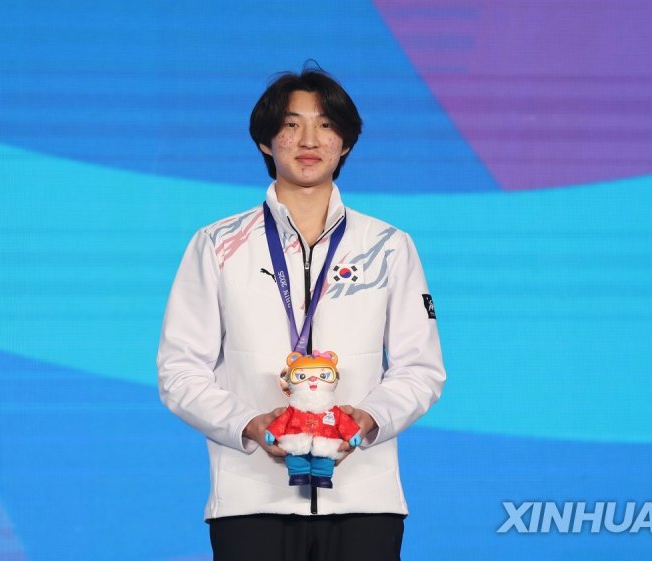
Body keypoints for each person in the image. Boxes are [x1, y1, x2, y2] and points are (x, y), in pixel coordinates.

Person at [157, 66, 446, 561]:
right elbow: (179, 370)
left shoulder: (388, 246)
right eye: (292, 124)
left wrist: (369, 419)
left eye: (326, 125)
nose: (309, 140)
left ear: (345, 143)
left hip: (365, 500)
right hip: (250, 499)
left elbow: (421, 368)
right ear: (266, 140)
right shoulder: (216, 245)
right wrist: (249, 423)